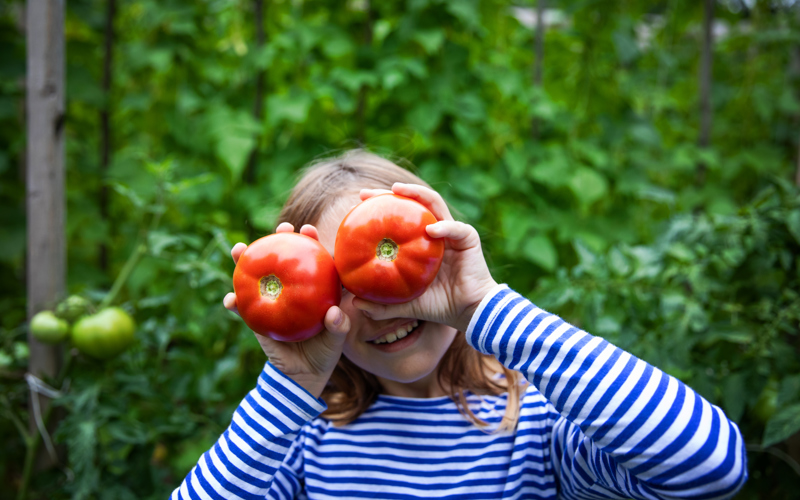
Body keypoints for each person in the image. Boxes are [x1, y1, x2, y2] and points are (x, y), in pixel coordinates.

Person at [172, 150, 747, 499]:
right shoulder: (302, 440)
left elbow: (709, 466)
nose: (377, 306)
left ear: (441, 254)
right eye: (337, 285)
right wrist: (291, 387)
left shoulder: (538, 425)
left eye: (391, 264)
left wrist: (482, 308)